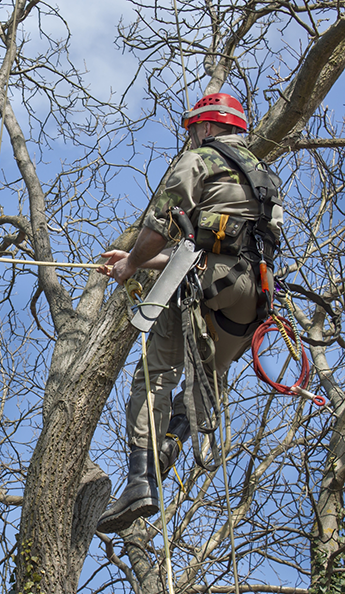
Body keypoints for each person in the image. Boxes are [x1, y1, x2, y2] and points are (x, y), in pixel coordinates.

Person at [95, 93, 283, 534]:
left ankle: (141, 480)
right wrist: (138, 257)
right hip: (250, 297)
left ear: (206, 126)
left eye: (192, 129)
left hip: (203, 285)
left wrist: (131, 264)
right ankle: (174, 439)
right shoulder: (264, 179)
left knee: (155, 375)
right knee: (211, 379)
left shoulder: (199, 159)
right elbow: (217, 246)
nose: (190, 137)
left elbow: (163, 224)